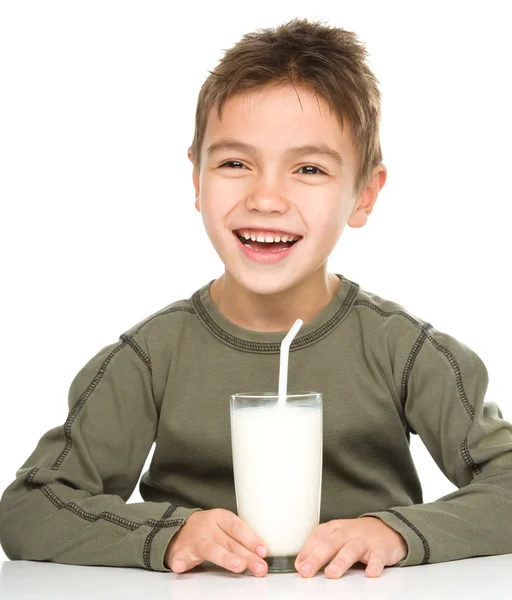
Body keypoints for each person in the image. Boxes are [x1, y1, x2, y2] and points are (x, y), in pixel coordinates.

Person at [1, 17, 511, 581]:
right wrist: (168, 535)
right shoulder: (152, 358)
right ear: (196, 179)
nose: (266, 198)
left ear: (363, 195)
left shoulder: (405, 351)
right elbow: (31, 507)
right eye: (235, 163)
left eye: (309, 168)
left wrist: (396, 533)